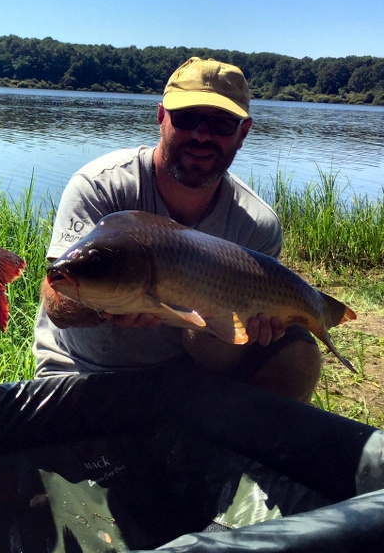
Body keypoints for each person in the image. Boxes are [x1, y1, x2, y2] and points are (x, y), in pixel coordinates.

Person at [34, 57, 323, 402]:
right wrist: (111, 303)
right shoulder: (99, 185)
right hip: (81, 368)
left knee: (298, 353)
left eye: (221, 124)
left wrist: (238, 330)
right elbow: (56, 302)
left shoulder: (256, 225)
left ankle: (247, 451)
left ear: (243, 132)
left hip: (183, 373)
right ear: (161, 118)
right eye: (185, 118)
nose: (201, 135)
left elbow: (212, 357)